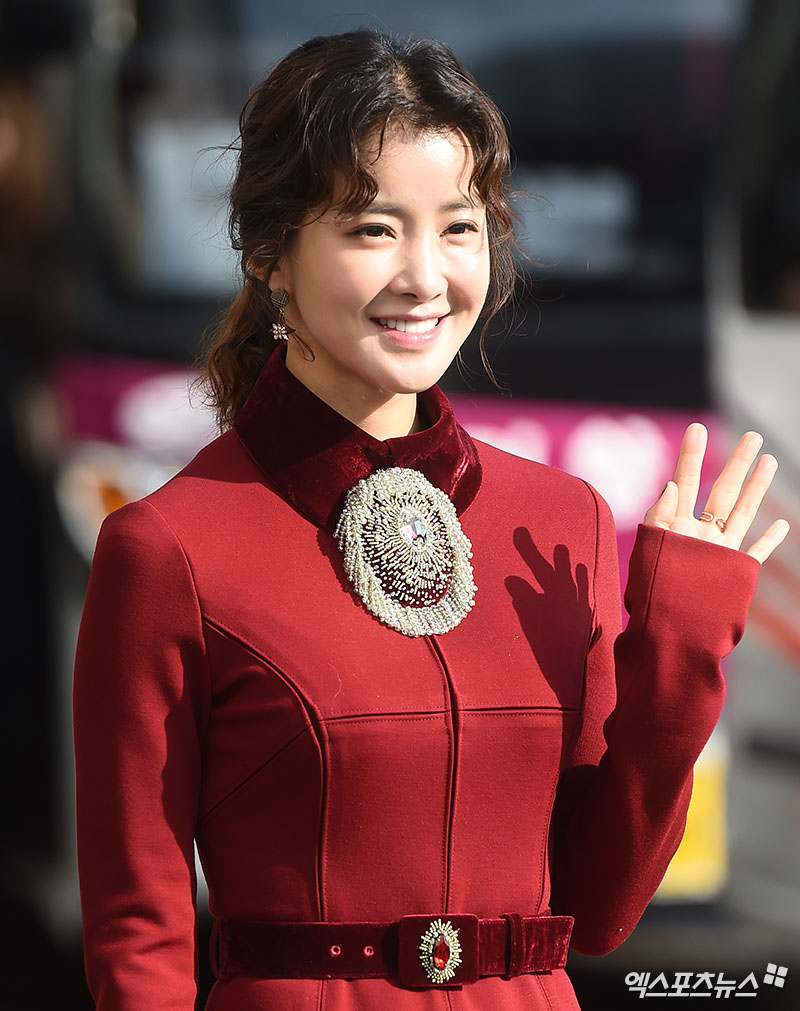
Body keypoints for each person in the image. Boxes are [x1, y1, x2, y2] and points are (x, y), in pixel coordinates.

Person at [72, 29, 789, 1011]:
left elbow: (597, 902)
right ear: (272, 254)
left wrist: (675, 646)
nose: (424, 277)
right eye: (372, 230)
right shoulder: (168, 549)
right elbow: (138, 931)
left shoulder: (561, 519)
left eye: (457, 228)